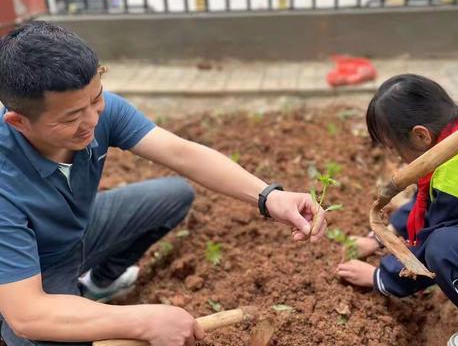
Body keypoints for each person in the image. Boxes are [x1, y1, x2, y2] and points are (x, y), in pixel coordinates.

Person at [0, 21, 327, 346]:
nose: (93, 120)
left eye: (96, 98)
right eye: (71, 118)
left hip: (74, 233)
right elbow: (29, 314)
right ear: (19, 122)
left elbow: (181, 153)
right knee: (39, 336)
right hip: (28, 273)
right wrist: (142, 321)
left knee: (173, 195)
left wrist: (268, 196)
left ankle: (97, 285)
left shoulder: (98, 111)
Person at [336, 74, 458, 346]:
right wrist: (381, 236)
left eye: (394, 148)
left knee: (444, 247)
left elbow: (428, 246)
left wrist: (381, 277)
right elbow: (426, 201)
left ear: (420, 135)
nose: (395, 157)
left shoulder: (457, 179)